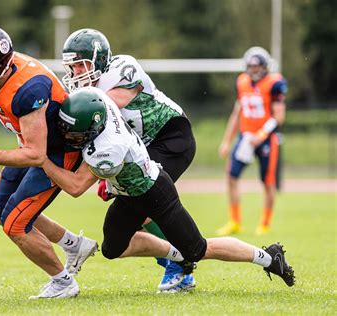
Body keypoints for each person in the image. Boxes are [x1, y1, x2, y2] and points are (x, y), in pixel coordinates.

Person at [41, 87, 295, 292]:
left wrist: (40, 159)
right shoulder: (102, 103)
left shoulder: (108, 148)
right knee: (113, 249)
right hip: (129, 194)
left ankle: (269, 257)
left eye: (77, 134)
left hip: (155, 192)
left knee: (199, 249)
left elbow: (75, 187)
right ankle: (176, 256)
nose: (71, 139)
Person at [0, 25, 98, 299]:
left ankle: (63, 282)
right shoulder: (0, 72)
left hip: (57, 153)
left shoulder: (29, 88)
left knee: (15, 224)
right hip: (35, 146)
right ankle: (74, 245)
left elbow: (36, 155)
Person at [61, 28, 197, 292]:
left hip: (170, 136)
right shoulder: (89, 87)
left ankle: (180, 264)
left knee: (143, 204)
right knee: (136, 209)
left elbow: (107, 107)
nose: (76, 72)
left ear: (99, 60)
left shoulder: (123, 67)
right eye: (72, 67)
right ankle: (179, 260)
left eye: (80, 65)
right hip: (140, 147)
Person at [217, 47, 287, 236]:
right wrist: (226, 141)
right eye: (251, 66)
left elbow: (279, 116)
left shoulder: (275, 83)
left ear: (265, 67)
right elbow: (237, 113)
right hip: (246, 137)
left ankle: (264, 223)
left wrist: (262, 134)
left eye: (258, 66)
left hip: (266, 139)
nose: (254, 70)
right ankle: (235, 221)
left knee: (267, 182)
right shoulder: (242, 82)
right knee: (231, 177)